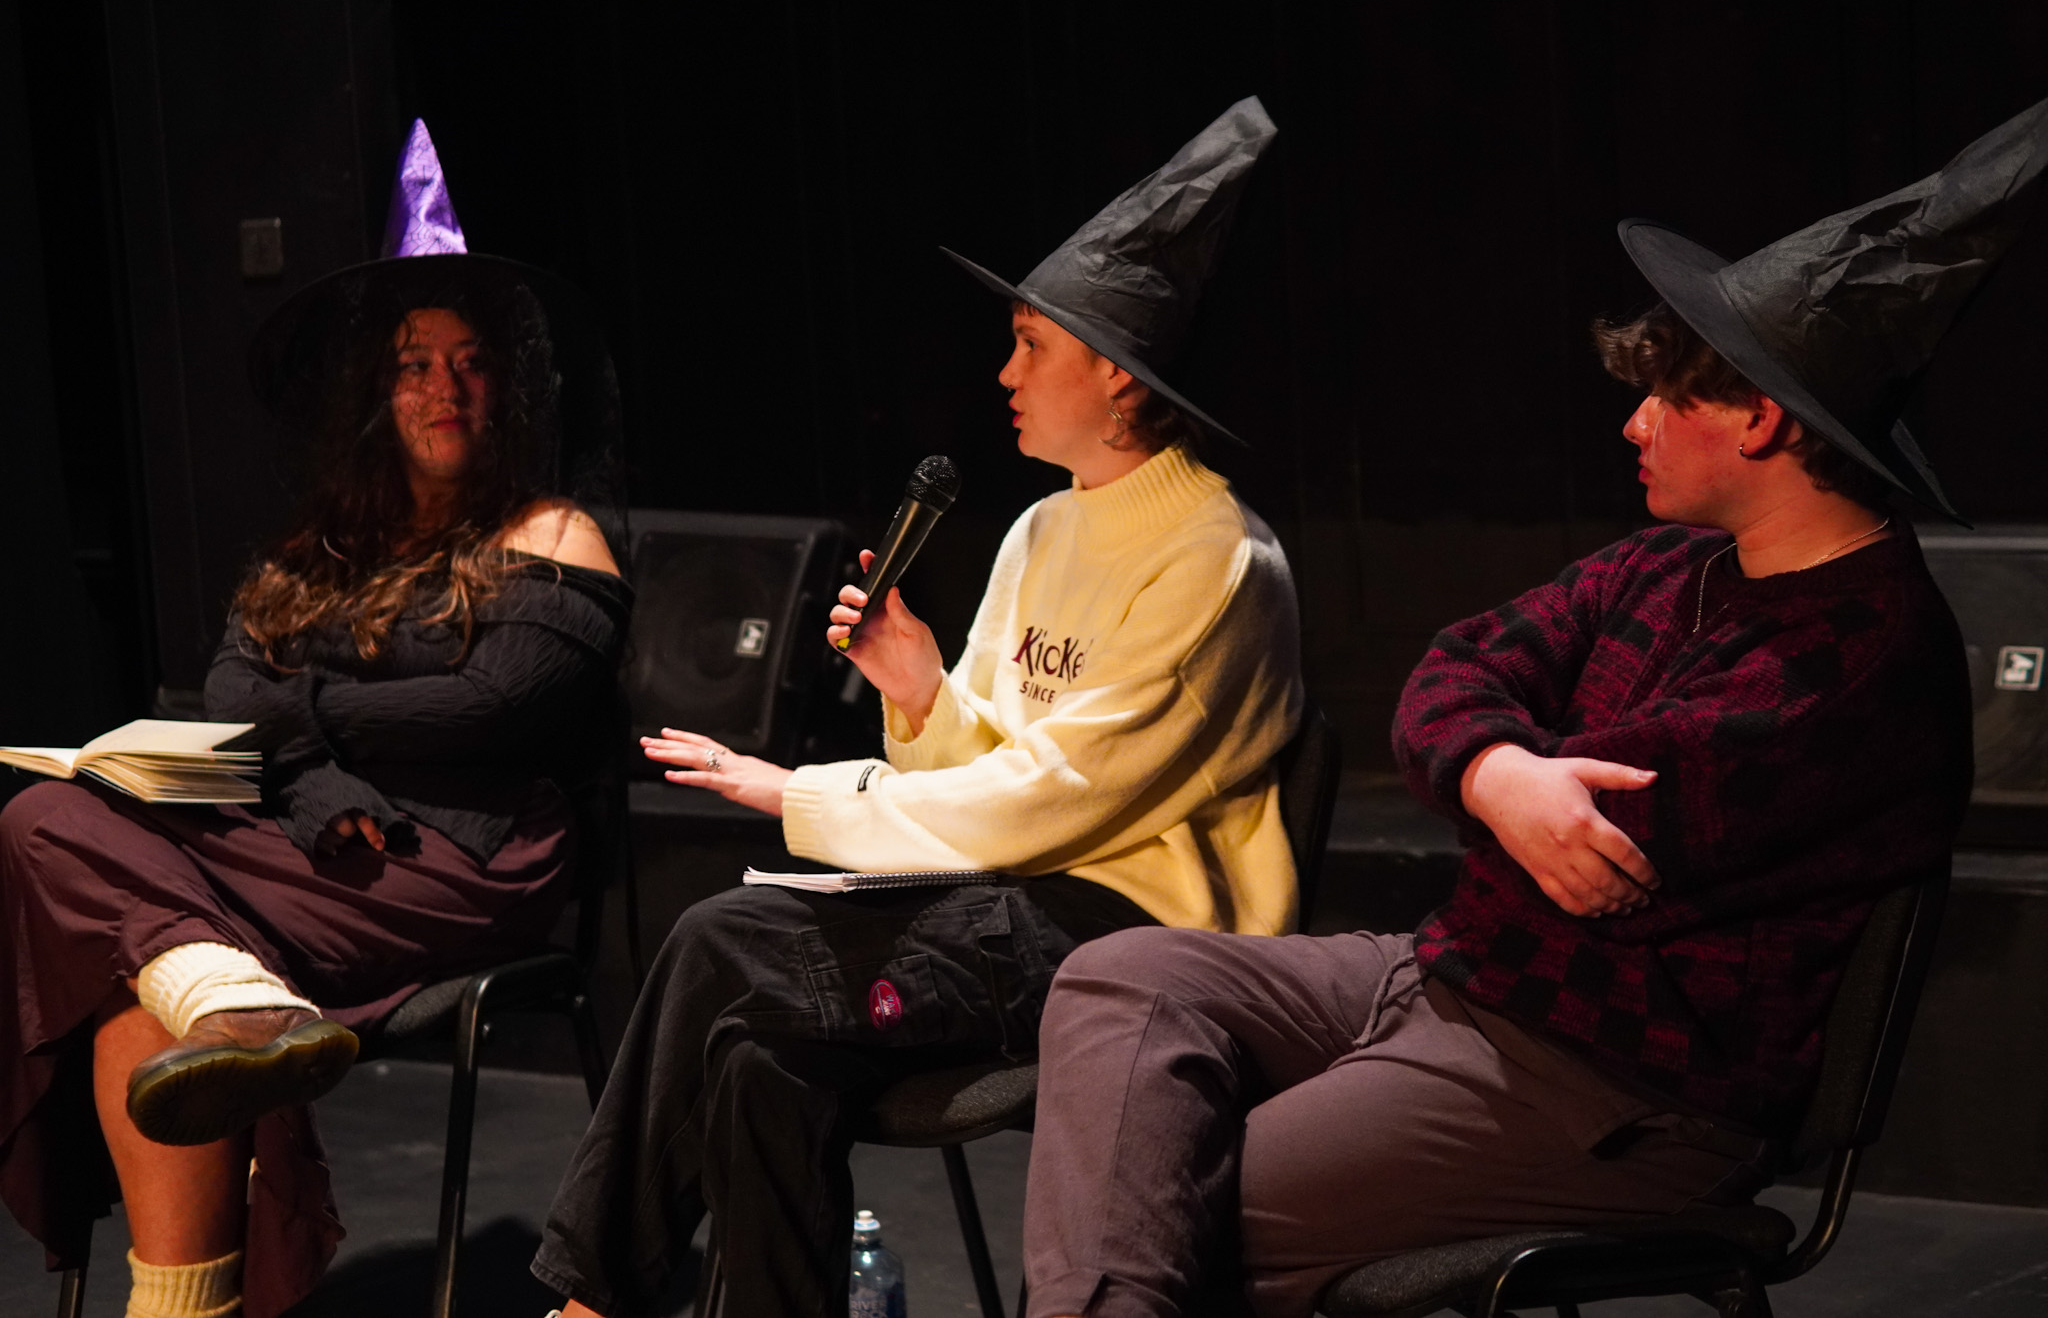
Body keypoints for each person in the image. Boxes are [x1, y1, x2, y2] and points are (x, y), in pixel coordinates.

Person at [1016, 98, 2048, 1318]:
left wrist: (1495, 766)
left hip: (1617, 1087)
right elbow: (1453, 666)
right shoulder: (1666, 563)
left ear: (1758, 420)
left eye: (1663, 397)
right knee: (1124, 976)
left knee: (1162, 1207)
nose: (1631, 422)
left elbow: (1594, 836)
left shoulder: (1862, 656)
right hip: (1452, 981)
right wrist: (1498, 774)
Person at [532, 97, 1301, 1318]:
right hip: (1001, 897)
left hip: (1126, 936)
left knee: (721, 941)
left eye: (1029, 347)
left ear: (1112, 370)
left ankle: (585, 1304)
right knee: (757, 1061)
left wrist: (804, 793)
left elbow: (1054, 796)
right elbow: (989, 770)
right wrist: (923, 694)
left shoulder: (1217, 560)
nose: (1004, 375)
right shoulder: (1042, 529)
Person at [0, 120, 630, 1318]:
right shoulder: (327, 546)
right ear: (377, 393)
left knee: (110, 930)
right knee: (43, 822)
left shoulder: (553, 533)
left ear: (506, 384)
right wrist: (314, 777)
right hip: (317, 839)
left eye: (468, 362)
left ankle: (230, 1002)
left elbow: (487, 709)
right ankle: (233, 1013)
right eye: (414, 364)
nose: (443, 387)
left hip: (461, 856)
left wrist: (307, 720)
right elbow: (231, 690)